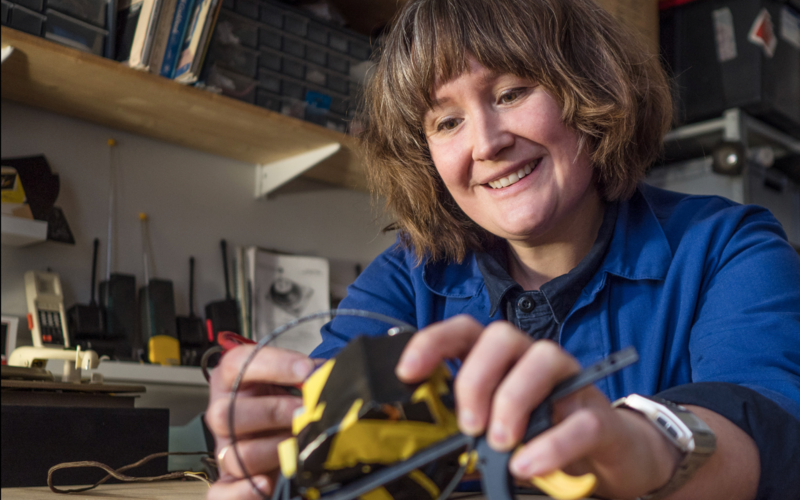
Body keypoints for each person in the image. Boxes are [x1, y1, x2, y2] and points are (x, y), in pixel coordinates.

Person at [204, 0, 800, 499]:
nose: (486, 143)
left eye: (513, 92)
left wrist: (646, 445)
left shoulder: (730, 247)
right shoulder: (409, 275)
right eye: (445, 123)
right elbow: (323, 426)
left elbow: (771, 425)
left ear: (587, 92)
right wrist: (264, 439)